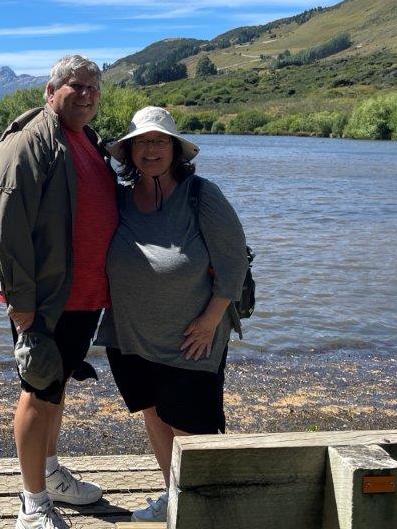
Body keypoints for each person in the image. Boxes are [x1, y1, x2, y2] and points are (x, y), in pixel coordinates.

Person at [96, 106, 248, 523]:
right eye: (141, 142)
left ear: (176, 149)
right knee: (154, 415)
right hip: (129, 335)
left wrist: (210, 320)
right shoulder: (120, 198)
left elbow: (234, 264)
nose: (151, 149)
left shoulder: (202, 194)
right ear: (128, 152)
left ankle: (203, 508)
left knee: (191, 429)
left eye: (160, 140)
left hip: (191, 336)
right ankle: (172, 494)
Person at [0, 55, 119, 529]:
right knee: (36, 390)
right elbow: (9, 230)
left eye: (93, 88)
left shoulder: (86, 140)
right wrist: (20, 301)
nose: (86, 94)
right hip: (45, 299)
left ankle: (48, 474)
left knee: (56, 386)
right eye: (74, 86)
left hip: (85, 295)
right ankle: (32, 504)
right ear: (51, 91)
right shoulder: (29, 142)